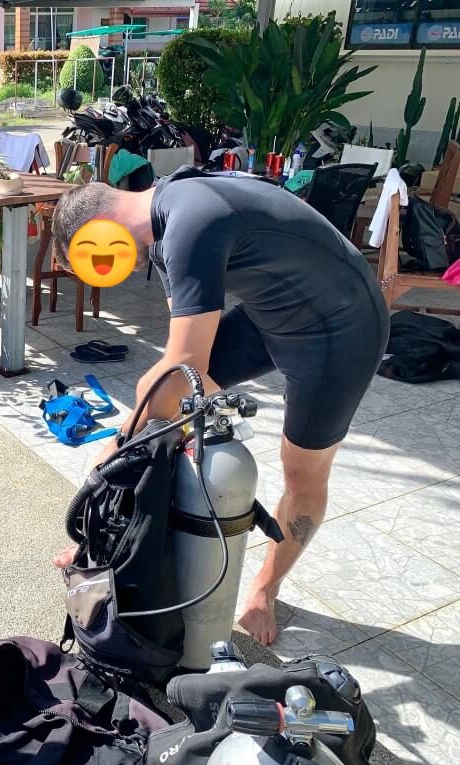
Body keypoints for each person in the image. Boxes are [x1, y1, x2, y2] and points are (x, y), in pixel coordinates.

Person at [50, 172, 389, 646]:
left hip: (341, 329)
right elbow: (185, 372)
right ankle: (106, 545)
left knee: (301, 473)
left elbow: (179, 371)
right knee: (162, 414)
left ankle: (265, 590)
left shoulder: (192, 220)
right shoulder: (164, 231)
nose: (112, 270)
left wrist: (115, 446)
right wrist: (143, 437)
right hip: (272, 314)